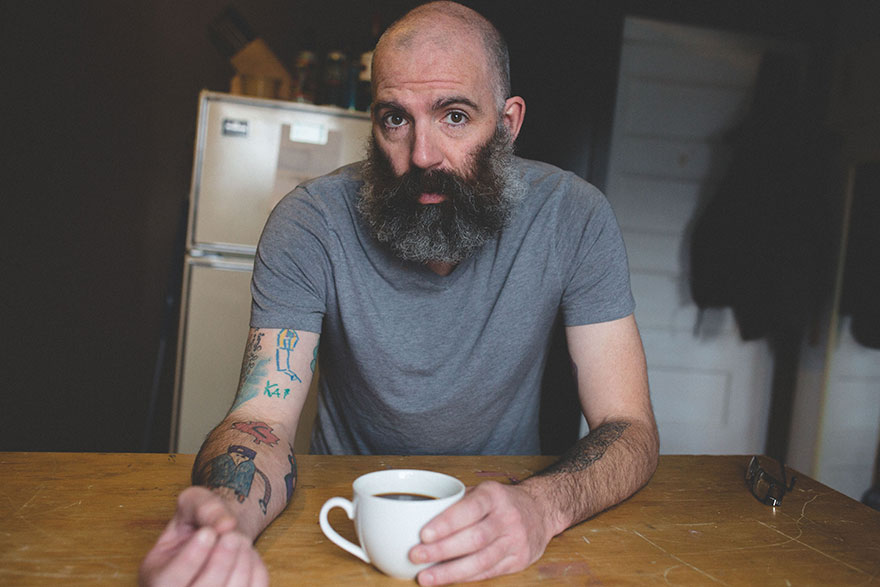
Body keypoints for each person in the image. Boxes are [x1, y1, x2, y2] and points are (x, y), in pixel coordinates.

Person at [140, 2, 659, 585]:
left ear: (508, 125)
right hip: (343, 518)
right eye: (395, 119)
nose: (421, 156)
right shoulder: (309, 223)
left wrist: (545, 506)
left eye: (455, 116)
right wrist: (228, 517)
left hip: (510, 511)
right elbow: (263, 417)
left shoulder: (575, 216)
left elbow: (628, 425)